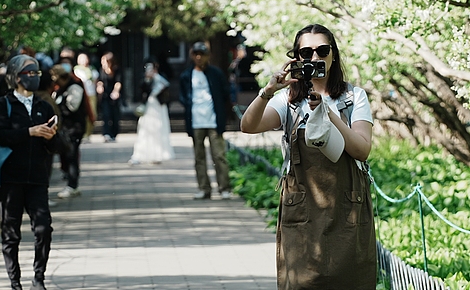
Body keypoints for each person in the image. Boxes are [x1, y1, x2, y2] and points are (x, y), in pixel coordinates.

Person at [239, 24, 376, 289]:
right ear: (297, 57)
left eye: (322, 50)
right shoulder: (288, 100)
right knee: (301, 282)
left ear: (333, 54)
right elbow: (248, 126)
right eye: (306, 52)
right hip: (302, 209)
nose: (315, 57)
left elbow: (362, 149)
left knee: (351, 280)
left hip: (347, 206)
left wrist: (328, 113)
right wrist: (268, 91)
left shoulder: (353, 97)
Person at [0, 54, 59, 290]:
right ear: (16, 77)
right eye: (30, 73)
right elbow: (1, 135)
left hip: (37, 178)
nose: (35, 77)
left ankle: (38, 278)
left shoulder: (44, 106)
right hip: (11, 179)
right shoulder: (4, 105)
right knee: (11, 233)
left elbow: (56, 147)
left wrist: (51, 136)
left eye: (37, 73)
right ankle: (15, 282)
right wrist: (29, 132)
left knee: (43, 228)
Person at [179, 41, 233, 200]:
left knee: (219, 155)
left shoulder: (216, 73)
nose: (199, 57)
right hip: (195, 120)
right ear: (192, 55)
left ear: (207, 56)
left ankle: (224, 188)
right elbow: (183, 96)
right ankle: (204, 188)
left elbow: (225, 94)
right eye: (196, 54)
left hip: (214, 120)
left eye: (202, 54)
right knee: (199, 157)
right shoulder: (186, 75)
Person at [51, 64, 90, 198]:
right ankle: (71, 183)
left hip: (74, 127)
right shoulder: (63, 88)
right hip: (67, 127)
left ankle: (73, 185)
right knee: (68, 156)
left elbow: (72, 107)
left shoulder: (74, 87)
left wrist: (59, 107)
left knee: (72, 156)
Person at [129, 58, 175, 164]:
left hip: (159, 106)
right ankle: (142, 154)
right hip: (149, 106)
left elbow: (165, 89)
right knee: (145, 128)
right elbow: (142, 90)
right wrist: (147, 80)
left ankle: (158, 154)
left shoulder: (161, 78)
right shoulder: (146, 80)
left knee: (159, 128)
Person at [95, 52, 122, 142]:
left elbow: (118, 82)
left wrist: (116, 91)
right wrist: (99, 86)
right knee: (106, 115)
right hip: (105, 95)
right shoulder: (102, 70)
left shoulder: (116, 70)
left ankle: (114, 134)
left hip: (114, 95)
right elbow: (100, 81)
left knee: (115, 115)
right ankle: (106, 133)